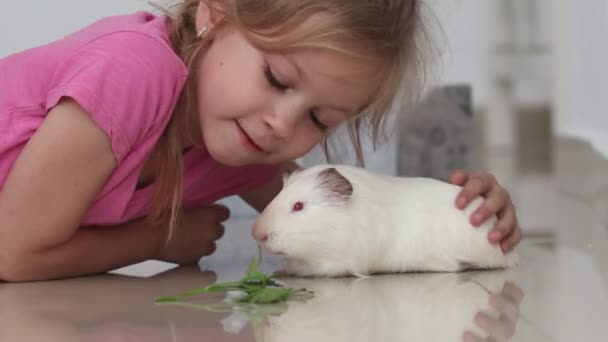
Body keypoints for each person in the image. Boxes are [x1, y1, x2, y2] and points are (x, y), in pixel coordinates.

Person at [0, 0, 521, 282]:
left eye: (318, 119)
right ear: (215, 13)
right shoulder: (134, 72)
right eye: (275, 78)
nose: (282, 126)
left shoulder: (244, 151)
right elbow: (12, 255)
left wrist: (456, 215)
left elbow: (335, 210)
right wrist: (155, 240)